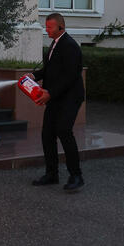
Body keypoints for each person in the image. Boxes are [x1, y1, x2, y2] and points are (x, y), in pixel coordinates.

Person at [31, 13, 85, 192]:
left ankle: (76, 176)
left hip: (70, 97)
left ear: (61, 27)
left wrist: (50, 93)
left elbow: (71, 76)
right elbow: (49, 70)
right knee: (47, 134)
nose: (46, 30)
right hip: (55, 97)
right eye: (45, 27)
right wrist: (35, 76)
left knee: (64, 131)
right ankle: (51, 174)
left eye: (50, 27)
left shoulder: (69, 46)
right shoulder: (54, 44)